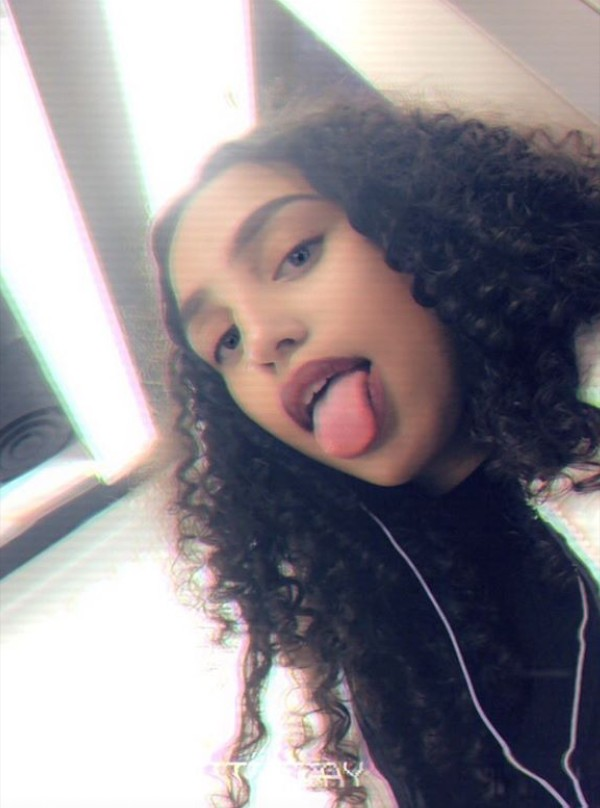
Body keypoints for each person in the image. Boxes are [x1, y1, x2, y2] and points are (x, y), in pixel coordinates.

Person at [151, 100, 600, 808]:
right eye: (225, 341)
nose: (262, 338)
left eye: (296, 255)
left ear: (422, 224)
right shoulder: (382, 654)